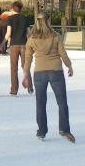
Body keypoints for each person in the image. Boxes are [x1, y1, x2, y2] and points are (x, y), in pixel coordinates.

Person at [23, 12, 74, 142]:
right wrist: (69, 65)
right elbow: (63, 53)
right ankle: (64, 129)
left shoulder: (32, 38)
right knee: (62, 102)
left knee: (40, 103)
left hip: (39, 72)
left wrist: (25, 74)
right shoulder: (55, 36)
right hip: (55, 70)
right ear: (48, 21)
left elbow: (27, 58)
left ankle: (41, 131)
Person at [4, 1, 29, 95]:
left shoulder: (10, 18)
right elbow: (28, 33)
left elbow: (8, 33)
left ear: (12, 8)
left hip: (14, 45)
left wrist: (3, 42)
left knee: (13, 68)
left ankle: (14, 90)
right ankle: (29, 86)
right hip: (24, 44)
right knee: (25, 66)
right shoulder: (25, 18)